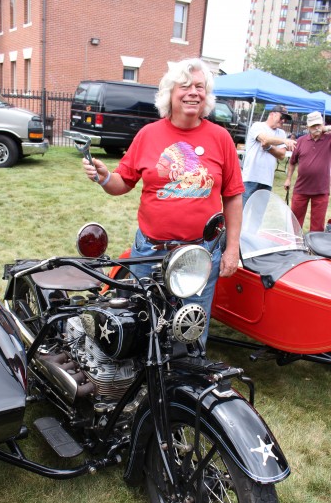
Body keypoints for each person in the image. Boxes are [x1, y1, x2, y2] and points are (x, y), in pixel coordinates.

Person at [82, 57, 244, 348]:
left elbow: (232, 196)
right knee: (142, 324)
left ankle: (185, 385)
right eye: (184, 86)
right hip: (149, 252)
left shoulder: (220, 138)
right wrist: (105, 177)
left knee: (190, 328)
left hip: (200, 255)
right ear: (170, 93)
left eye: (199, 86)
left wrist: (232, 249)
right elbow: (123, 183)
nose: (193, 92)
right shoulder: (148, 135)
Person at [284, 111, 331, 232]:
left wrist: (326, 128)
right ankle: (294, 246)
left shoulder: (328, 139)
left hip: (321, 189)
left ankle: (315, 249)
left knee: (317, 225)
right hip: (301, 188)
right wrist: (288, 179)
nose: (316, 128)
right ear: (308, 127)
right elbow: (292, 162)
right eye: (313, 126)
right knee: (295, 221)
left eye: (318, 125)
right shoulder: (301, 141)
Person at [242, 105, 296, 206]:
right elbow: (265, 139)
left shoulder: (282, 133)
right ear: (272, 114)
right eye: (282, 117)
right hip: (250, 178)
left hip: (267, 180)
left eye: (285, 119)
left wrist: (268, 148)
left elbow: (281, 155)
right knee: (241, 213)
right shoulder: (257, 126)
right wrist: (284, 141)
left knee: (258, 216)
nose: (283, 121)